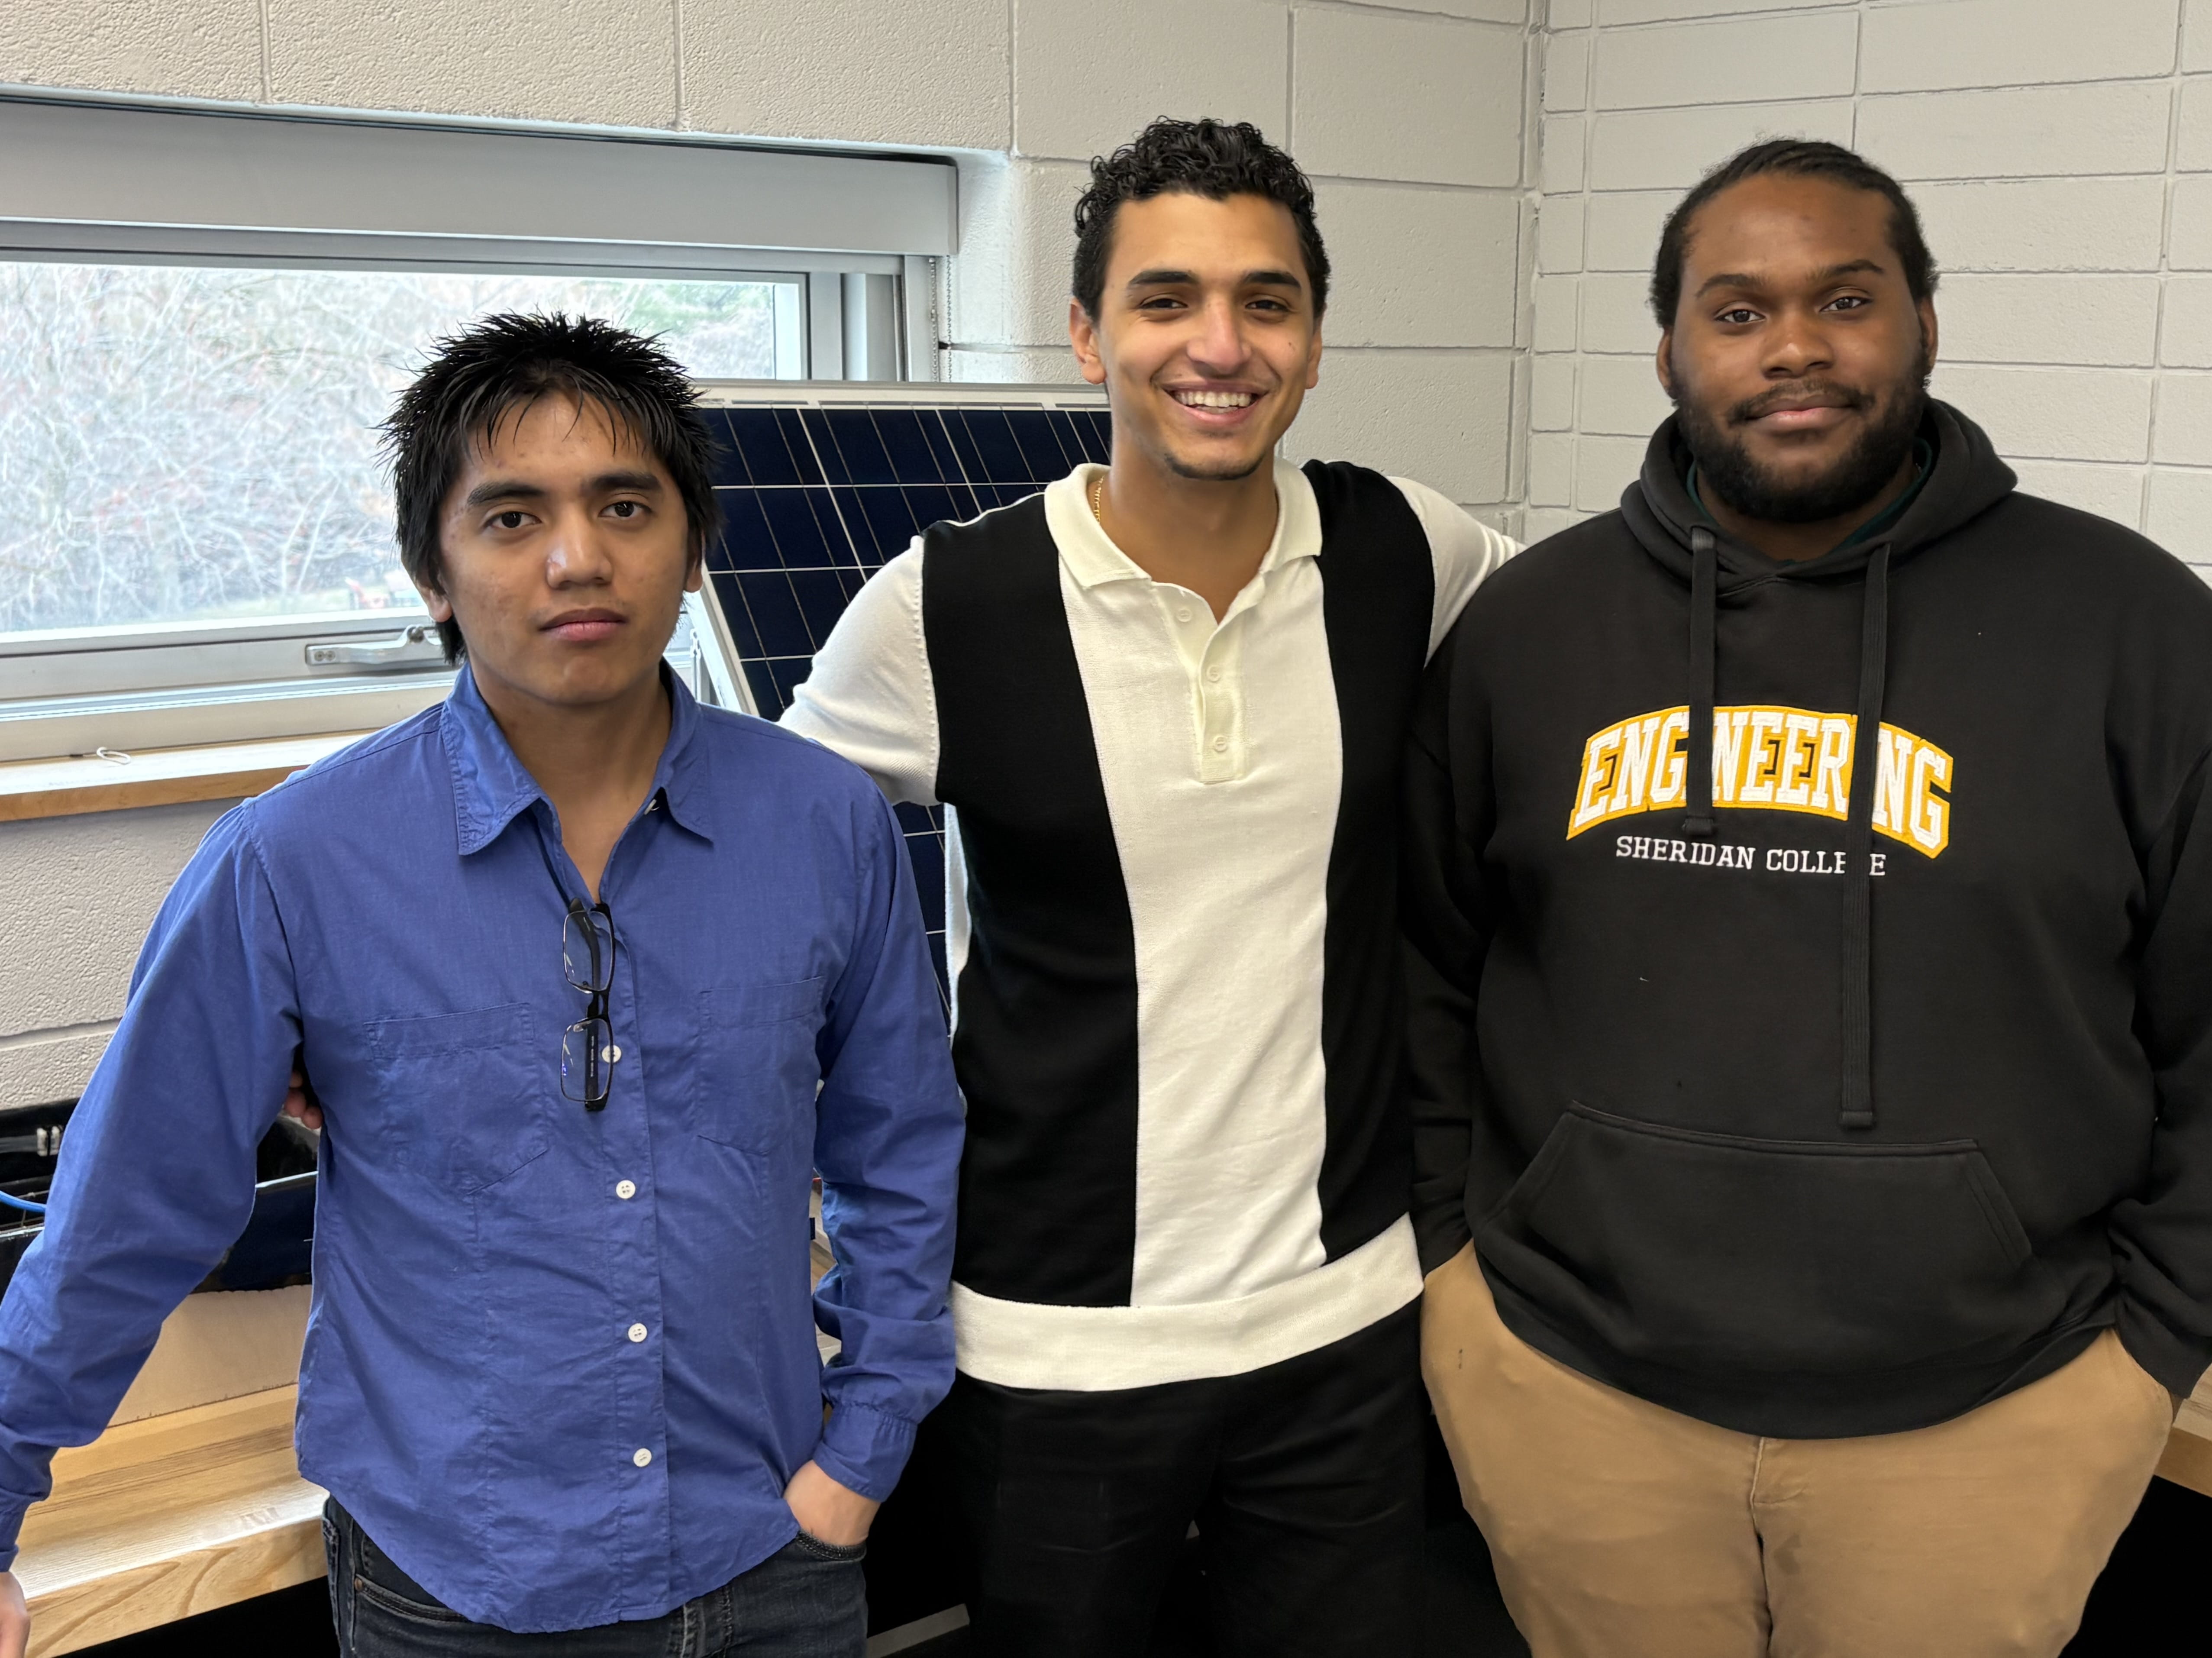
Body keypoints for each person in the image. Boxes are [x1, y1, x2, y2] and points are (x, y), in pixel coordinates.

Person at [1403, 139, 2212, 1658]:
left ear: (1924, 319)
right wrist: (1453, 1279)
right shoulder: (1532, 632)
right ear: (1668, 348)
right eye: (1737, 310)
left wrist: (2162, 1340)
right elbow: (1423, 969)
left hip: (1995, 1419)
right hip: (1570, 1398)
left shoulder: (2140, 638)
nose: (1793, 345)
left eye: (1844, 298)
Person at [0, 314, 963, 1658]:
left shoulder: (825, 825)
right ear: (433, 571)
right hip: (453, 1590)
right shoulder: (293, 862)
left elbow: (902, 1148)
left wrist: (865, 1446)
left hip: (773, 1560)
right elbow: (130, 1208)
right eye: (511, 516)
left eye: (626, 504)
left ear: (691, 547)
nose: (578, 555)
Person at [782, 117, 1518, 1656]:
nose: (1219, 345)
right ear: (1086, 331)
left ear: (1315, 341)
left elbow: (1608, 667)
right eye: (1166, 297)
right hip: (1052, 1347)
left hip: (1349, 1322)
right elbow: (729, 859)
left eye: (1267, 302)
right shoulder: (949, 603)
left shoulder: (1409, 552)